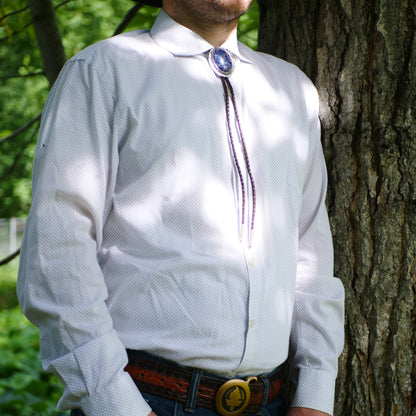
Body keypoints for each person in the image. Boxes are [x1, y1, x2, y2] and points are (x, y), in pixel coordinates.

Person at [17, 0, 345, 415]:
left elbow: (310, 249)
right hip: (146, 399)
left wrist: (316, 392)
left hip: (276, 402)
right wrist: (115, 403)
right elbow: (56, 256)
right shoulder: (104, 72)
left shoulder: (291, 90)